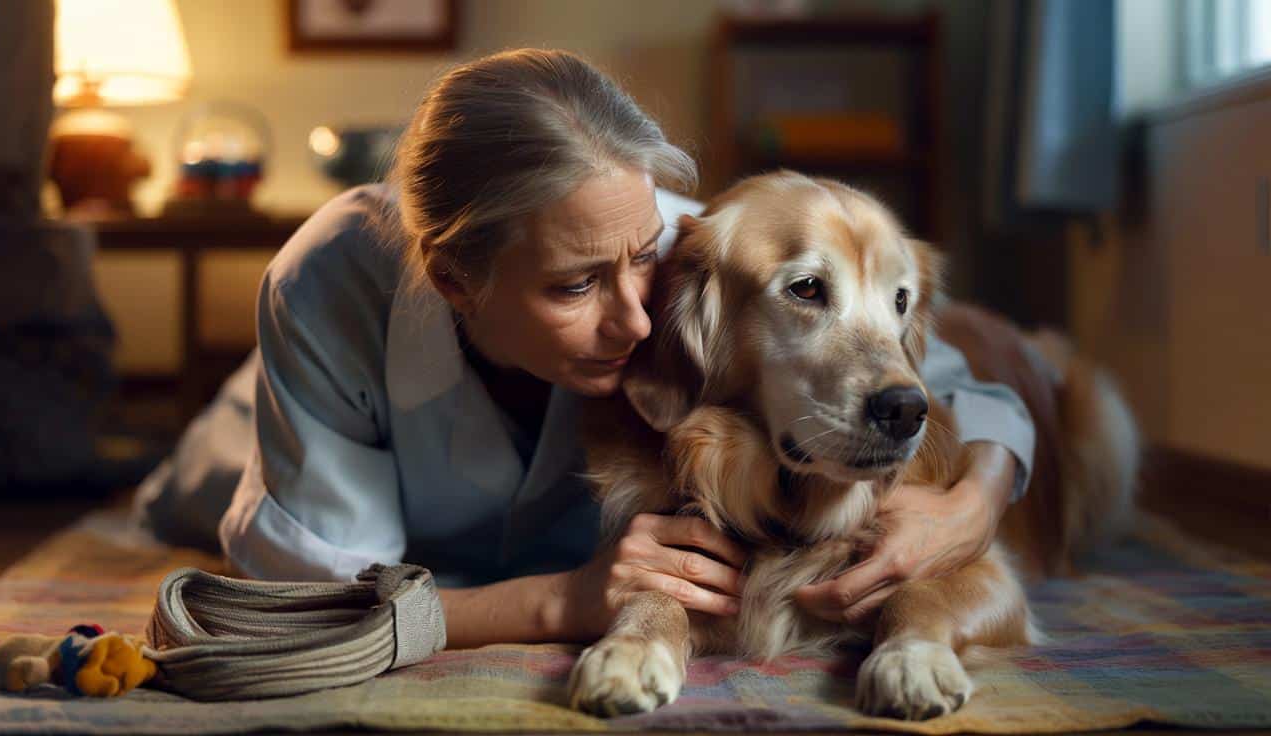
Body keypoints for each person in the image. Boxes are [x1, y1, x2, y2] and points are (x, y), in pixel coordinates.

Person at [135, 49, 1034, 650]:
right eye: (573, 287)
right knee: (191, 494)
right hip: (280, 413)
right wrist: (561, 600)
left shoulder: (684, 245)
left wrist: (974, 504)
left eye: (638, 258)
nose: (638, 322)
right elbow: (329, 606)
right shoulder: (323, 286)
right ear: (456, 280)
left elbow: (954, 383)